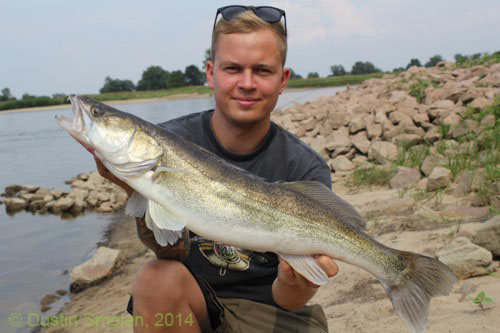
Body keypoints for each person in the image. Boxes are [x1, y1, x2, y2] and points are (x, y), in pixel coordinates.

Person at [95, 6, 338, 332]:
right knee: (154, 280)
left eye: (262, 71)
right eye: (233, 68)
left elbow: (291, 301)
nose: (247, 83)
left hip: (270, 308)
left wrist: (296, 279)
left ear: (283, 80)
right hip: (191, 302)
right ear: (211, 73)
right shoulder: (170, 142)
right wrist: (133, 187)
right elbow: (172, 253)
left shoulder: (305, 168)